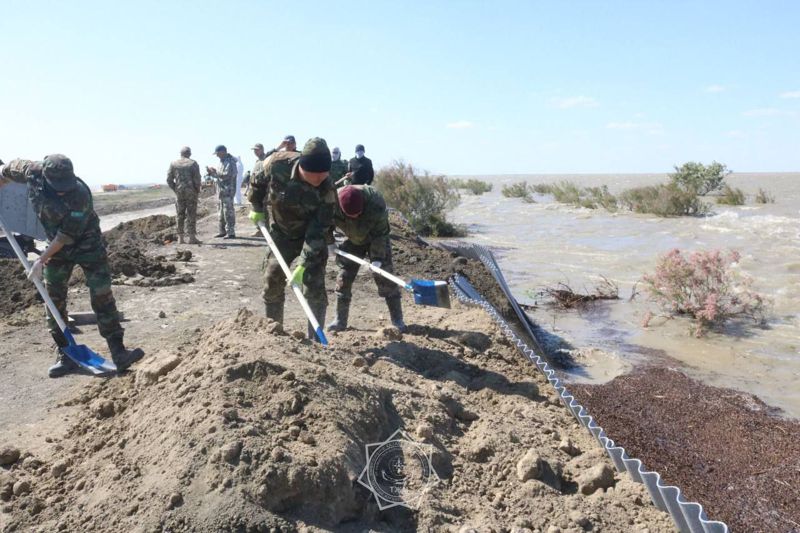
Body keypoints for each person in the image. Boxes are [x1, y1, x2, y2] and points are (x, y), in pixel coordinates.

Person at [0, 155, 145, 377]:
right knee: (53, 298)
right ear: (44, 176)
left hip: (87, 245)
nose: (61, 191)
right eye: (57, 187)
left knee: (101, 294)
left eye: (64, 187)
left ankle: (119, 351)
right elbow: (6, 172)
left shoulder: (80, 194)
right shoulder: (30, 171)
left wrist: (40, 260)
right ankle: (65, 353)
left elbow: (65, 236)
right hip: (56, 247)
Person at [247, 137, 336, 341]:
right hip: (283, 234)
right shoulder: (277, 164)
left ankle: (316, 341)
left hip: (311, 237)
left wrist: (304, 263)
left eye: (322, 177)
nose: (317, 181)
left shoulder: (327, 190)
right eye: (312, 176)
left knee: (314, 287)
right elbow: (257, 180)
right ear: (301, 166)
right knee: (271, 280)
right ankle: (275, 335)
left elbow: (318, 230)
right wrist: (256, 207)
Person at [327, 185, 406, 332]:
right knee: (343, 277)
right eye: (351, 216)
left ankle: (398, 320)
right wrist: (329, 242)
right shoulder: (330, 202)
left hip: (375, 237)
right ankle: (340, 320)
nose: (355, 217)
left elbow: (381, 233)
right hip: (351, 239)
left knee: (385, 277)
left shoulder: (375, 202)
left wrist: (377, 258)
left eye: (358, 214)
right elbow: (325, 223)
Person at [166, 146, 202, 244]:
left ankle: (180, 238)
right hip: (191, 193)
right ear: (189, 153)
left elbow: (169, 180)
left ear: (180, 153)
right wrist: (197, 190)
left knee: (180, 215)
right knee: (191, 214)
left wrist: (176, 189)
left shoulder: (173, 164)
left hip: (179, 193)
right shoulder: (193, 163)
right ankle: (191, 238)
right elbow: (197, 180)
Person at [206, 145, 237, 239]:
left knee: (228, 211)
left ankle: (231, 232)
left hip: (228, 191)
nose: (217, 156)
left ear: (223, 152)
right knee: (221, 212)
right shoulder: (221, 162)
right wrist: (212, 173)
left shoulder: (230, 162)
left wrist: (215, 172)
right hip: (221, 191)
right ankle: (222, 231)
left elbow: (227, 175)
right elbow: (219, 177)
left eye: (218, 153)